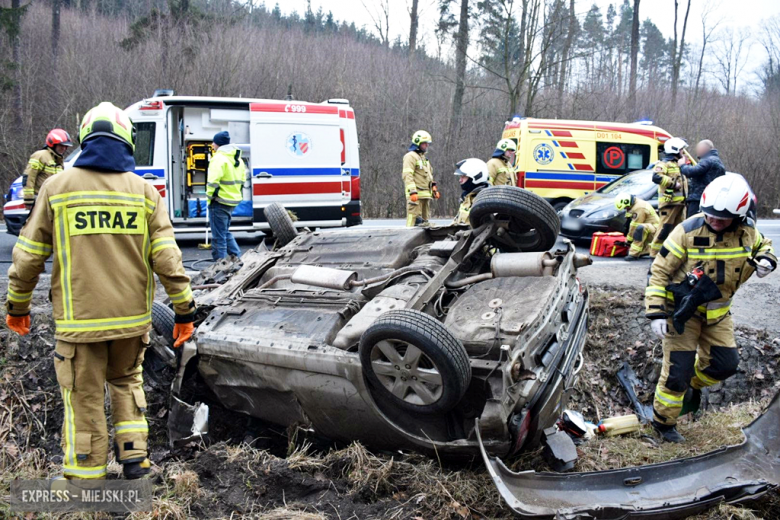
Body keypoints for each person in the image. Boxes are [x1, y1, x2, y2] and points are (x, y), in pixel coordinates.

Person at [5, 102, 195, 479]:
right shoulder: (144, 193)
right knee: (126, 384)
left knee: (84, 396)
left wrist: (17, 305)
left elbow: (28, 257)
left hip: (81, 325)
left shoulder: (57, 188)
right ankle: (136, 463)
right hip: (132, 323)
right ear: (127, 141)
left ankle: (85, 476)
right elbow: (168, 259)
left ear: (85, 139)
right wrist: (184, 311)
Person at [645, 175, 776, 443]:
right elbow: (658, 271)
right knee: (676, 373)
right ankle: (663, 424)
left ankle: (692, 386)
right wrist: (657, 312)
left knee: (726, 365)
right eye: (710, 216)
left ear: (739, 217)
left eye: (722, 218)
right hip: (682, 313)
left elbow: (765, 246)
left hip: (718, 315)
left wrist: (766, 260)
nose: (714, 221)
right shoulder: (687, 230)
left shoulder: (747, 232)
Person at [206, 131, 244, 260]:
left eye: (214, 142)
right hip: (231, 200)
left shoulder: (218, 158)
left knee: (218, 238)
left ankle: (219, 267)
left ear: (218, 144)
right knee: (224, 232)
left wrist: (209, 198)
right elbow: (242, 180)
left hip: (219, 201)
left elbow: (213, 181)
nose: (212, 144)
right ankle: (238, 260)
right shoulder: (237, 158)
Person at [649, 137, 688, 257]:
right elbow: (656, 177)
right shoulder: (663, 164)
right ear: (675, 150)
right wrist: (672, 183)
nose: (683, 152)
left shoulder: (678, 164)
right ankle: (654, 254)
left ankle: (673, 254)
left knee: (678, 231)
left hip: (680, 204)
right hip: (669, 204)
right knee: (664, 229)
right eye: (682, 150)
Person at [23, 129, 73, 210]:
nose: (64, 148)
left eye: (66, 146)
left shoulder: (59, 160)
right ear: (53, 144)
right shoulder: (40, 155)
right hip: (39, 199)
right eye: (61, 145)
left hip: (53, 200)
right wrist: (29, 199)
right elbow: (29, 177)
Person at [679, 139, 725, 217]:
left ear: (702, 149)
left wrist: (682, 165)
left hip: (699, 199)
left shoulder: (707, 160)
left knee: (692, 223)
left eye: (697, 149)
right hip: (710, 199)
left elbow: (692, 172)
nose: (697, 151)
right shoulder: (717, 161)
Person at [402, 130, 438, 227]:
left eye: (427, 143)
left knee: (425, 224)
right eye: (424, 143)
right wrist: (412, 191)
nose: (427, 146)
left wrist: (433, 188)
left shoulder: (423, 158)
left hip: (425, 196)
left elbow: (428, 175)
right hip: (415, 197)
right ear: (417, 143)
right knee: (413, 221)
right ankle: (408, 239)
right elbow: (407, 175)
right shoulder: (410, 157)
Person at [615, 194, 659, 261]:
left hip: (655, 230)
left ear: (627, 202)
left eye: (626, 207)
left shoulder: (639, 208)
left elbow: (634, 226)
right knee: (640, 228)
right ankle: (645, 250)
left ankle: (633, 254)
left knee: (640, 228)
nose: (625, 209)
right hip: (651, 228)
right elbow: (629, 223)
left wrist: (628, 241)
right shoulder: (633, 204)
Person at [453, 158, 490, 225]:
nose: (460, 180)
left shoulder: (483, 200)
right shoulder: (466, 197)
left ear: (476, 176)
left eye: (463, 177)